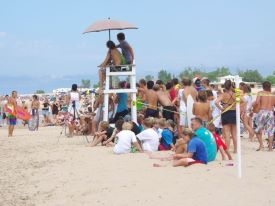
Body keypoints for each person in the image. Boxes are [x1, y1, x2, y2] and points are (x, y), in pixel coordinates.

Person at [215, 80, 239, 153]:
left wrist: (221, 108)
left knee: (227, 133)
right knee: (234, 133)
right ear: (231, 86)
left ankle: (227, 149)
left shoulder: (223, 94)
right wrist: (239, 108)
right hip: (234, 112)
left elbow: (216, 102)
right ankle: (235, 149)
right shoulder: (236, 94)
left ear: (224, 86)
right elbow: (244, 101)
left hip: (226, 113)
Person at [254, 81, 275, 151]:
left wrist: (254, 109)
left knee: (257, 129)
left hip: (262, 112)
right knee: (270, 131)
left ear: (263, 86)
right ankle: (270, 148)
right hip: (271, 113)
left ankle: (261, 145)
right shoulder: (273, 95)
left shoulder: (260, 93)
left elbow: (257, 102)